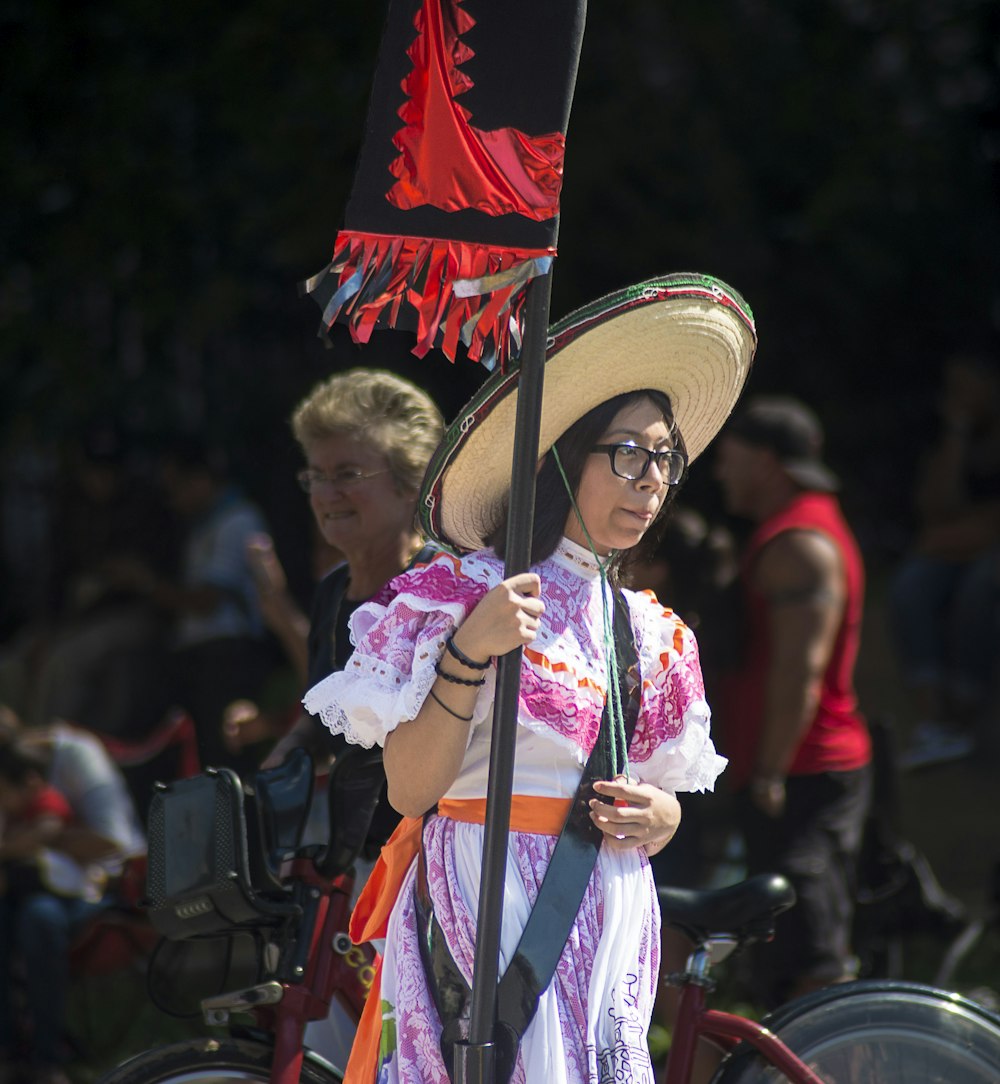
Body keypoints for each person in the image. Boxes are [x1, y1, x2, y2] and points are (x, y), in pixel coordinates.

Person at [302, 273, 756, 1084]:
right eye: (627, 453)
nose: (651, 478)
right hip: (483, 897)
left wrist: (660, 818)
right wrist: (469, 652)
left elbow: (656, 801)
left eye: (665, 457)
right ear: (561, 456)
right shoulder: (459, 594)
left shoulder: (653, 633)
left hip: (609, 911)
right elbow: (410, 790)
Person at [239, 369, 445, 1067]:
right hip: (357, 862)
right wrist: (287, 752)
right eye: (315, 476)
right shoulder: (333, 591)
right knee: (336, 1037)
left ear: (413, 480)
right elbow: (324, 707)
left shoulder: (445, 591)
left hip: (442, 869)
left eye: (348, 472)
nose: (326, 494)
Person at [713, 394, 872, 1009]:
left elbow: (799, 672)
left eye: (732, 459)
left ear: (767, 462)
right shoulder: (796, 531)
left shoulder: (799, 543)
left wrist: (771, 772)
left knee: (815, 954)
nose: (722, 473)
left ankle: (835, 1065)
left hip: (805, 772)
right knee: (787, 952)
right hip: (792, 770)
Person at [0, 708, 146, 1084]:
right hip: (24, 887)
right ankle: (9, 1049)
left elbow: (111, 843)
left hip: (94, 889)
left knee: (40, 918)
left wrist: (35, 840)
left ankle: (48, 1058)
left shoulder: (75, 755)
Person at [888, 352, 1000, 769]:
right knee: (911, 587)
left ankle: (966, 708)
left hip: (976, 549)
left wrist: (956, 534)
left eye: (968, 385)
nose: (960, 396)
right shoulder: (952, 440)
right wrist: (957, 434)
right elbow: (936, 507)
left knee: (979, 588)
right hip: (957, 546)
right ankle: (936, 723)